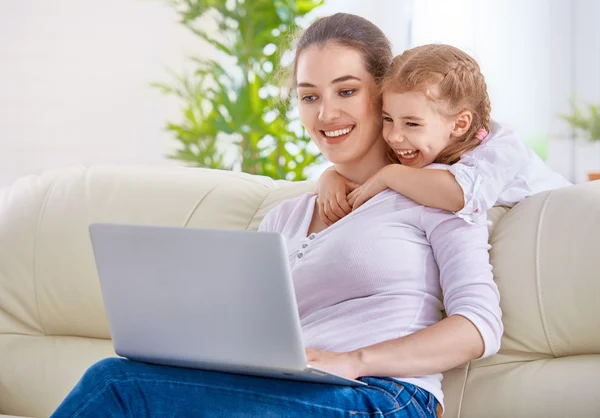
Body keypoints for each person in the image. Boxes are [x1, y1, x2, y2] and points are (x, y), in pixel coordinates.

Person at [51, 13, 503, 418]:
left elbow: (479, 326)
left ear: (383, 95)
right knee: (134, 375)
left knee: (115, 383)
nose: (326, 113)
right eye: (309, 97)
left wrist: (355, 360)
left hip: (383, 398)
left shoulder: (441, 194)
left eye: (346, 90)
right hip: (286, 391)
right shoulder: (284, 218)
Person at [316, 45, 571, 227]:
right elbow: (366, 169)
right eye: (388, 119)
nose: (393, 136)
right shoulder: (419, 141)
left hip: (565, 223)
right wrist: (330, 177)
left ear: (459, 124)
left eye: (412, 124)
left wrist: (388, 176)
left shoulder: (501, 150)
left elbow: (460, 195)